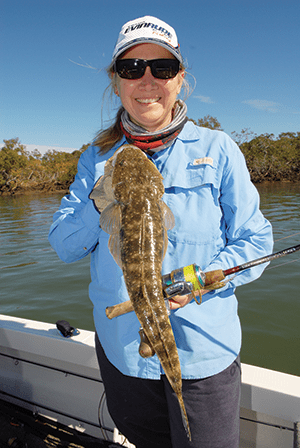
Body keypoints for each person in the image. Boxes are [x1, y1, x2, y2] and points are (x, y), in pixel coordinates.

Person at [49, 15, 273, 448]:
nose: (147, 79)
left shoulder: (218, 149)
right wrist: (102, 197)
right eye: (132, 69)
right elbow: (63, 246)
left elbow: (256, 240)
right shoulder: (96, 159)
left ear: (180, 80)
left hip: (203, 354)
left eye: (162, 68)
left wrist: (206, 279)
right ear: (117, 83)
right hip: (125, 355)